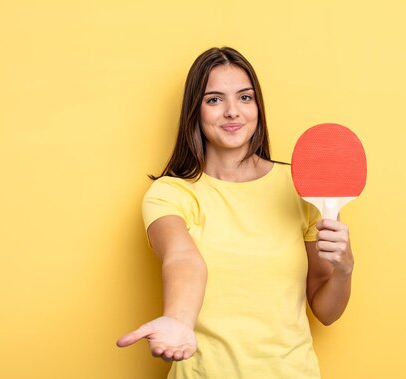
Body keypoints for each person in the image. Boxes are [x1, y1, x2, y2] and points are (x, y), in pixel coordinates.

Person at [117, 47, 354, 379]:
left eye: (245, 98)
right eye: (214, 100)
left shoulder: (302, 188)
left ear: (257, 107)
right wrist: (180, 320)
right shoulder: (171, 194)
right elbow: (182, 257)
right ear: (195, 111)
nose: (232, 111)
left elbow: (326, 311)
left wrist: (344, 270)